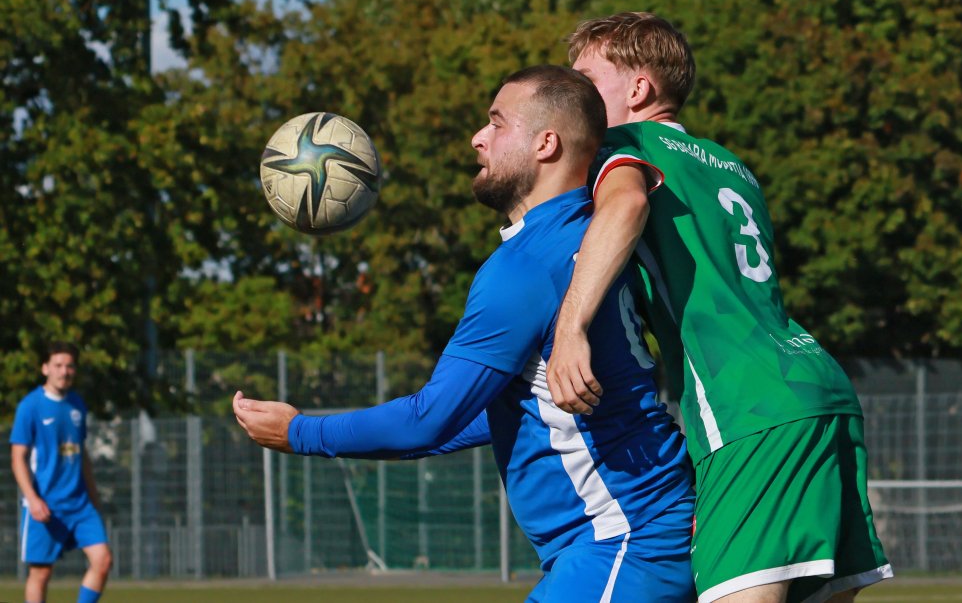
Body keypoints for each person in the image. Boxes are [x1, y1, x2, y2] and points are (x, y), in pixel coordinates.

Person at [233, 64, 696, 602]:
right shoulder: (586, 238)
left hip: (625, 541)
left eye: (497, 123)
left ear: (547, 143)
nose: (479, 138)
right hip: (638, 532)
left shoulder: (522, 269)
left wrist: (301, 434)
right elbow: (519, 410)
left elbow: (427, 420)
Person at [545, 12, 891, 603]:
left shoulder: (627, 143)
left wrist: (570, 326)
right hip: (815, 386)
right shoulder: (727, 163)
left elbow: (624, 208)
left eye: (585, 79)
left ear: (638, 89)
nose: (572, 94)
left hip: (745, 403)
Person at [10, 342, 112, 603]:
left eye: (69, 366)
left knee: (102, 561)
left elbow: (82, 453)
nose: (64, 371)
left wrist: (94, 495)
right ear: (45, 368)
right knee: (41, 574)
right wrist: (32, 499)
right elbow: (18, 458)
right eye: (57, 365)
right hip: (45, 505)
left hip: (79, 504)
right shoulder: (30, 406)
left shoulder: (77, 404)